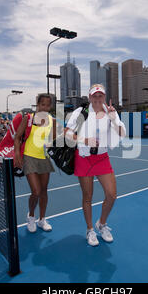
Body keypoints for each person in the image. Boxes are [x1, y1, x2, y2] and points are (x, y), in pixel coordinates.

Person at [65, 84, 126, 246]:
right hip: (84, 157)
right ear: (90, 97)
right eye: (95, 96)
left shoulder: (110, 112)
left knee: (112, 195)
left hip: (102, 158)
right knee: (88, 197)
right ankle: (90, 229)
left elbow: (122, 133)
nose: (98, 99)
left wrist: (114, 120)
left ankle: (102, 224)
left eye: (101, 96)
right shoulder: (80, 112)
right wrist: (84, 140)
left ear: (104, 97)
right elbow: (67, 134)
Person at [14, 94, 57, 233]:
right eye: (42, 104)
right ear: (37, 104)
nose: (45, 107)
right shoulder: (28, 118)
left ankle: (42, 219)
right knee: (36, 191)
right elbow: (17, 137)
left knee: (44, 191)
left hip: (44, 158)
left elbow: (55, 139)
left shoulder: (52, 120)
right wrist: (16, 154)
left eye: (47, 105)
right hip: (29, 157)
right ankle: (31, 216)